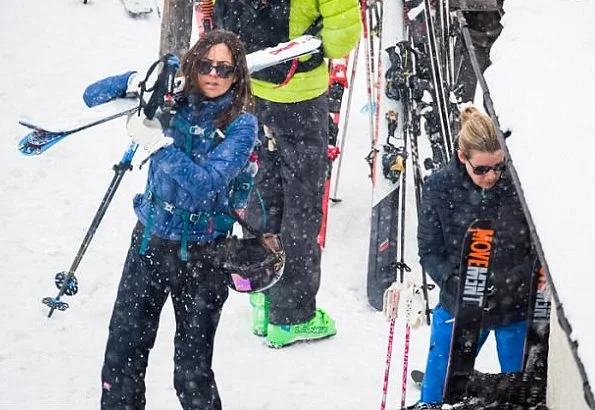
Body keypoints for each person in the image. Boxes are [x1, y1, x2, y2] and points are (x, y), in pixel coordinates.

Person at [94, 30, 258, 409]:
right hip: (149, 242)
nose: (213, 75)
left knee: (192, 372)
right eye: (205, 65)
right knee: (122, 357)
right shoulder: (171, 100)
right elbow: (92, 96)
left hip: (205, 256)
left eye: (224, 68)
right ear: (193, 64)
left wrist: (155, 144)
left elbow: (206, 183)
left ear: (237, 76)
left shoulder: (241, 125)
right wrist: (138, 82)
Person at [213, 0, 362, 348]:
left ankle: (260, 291)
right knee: (302, 202)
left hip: (250, 87)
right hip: (300, 93)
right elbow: (342, 39)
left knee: (263, 188)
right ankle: (292, 316)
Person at [413, 105, 533, 406]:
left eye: (498, 167)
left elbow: (538, 251)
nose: (491, 176)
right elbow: (428, 251)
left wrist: (511, 281)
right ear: (461, 157)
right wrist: (454, 281)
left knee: (519, 392)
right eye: (481, 169)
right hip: (459, 306)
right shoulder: (439, 187)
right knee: (437, 392)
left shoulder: (518, 182)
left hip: (513, 307)